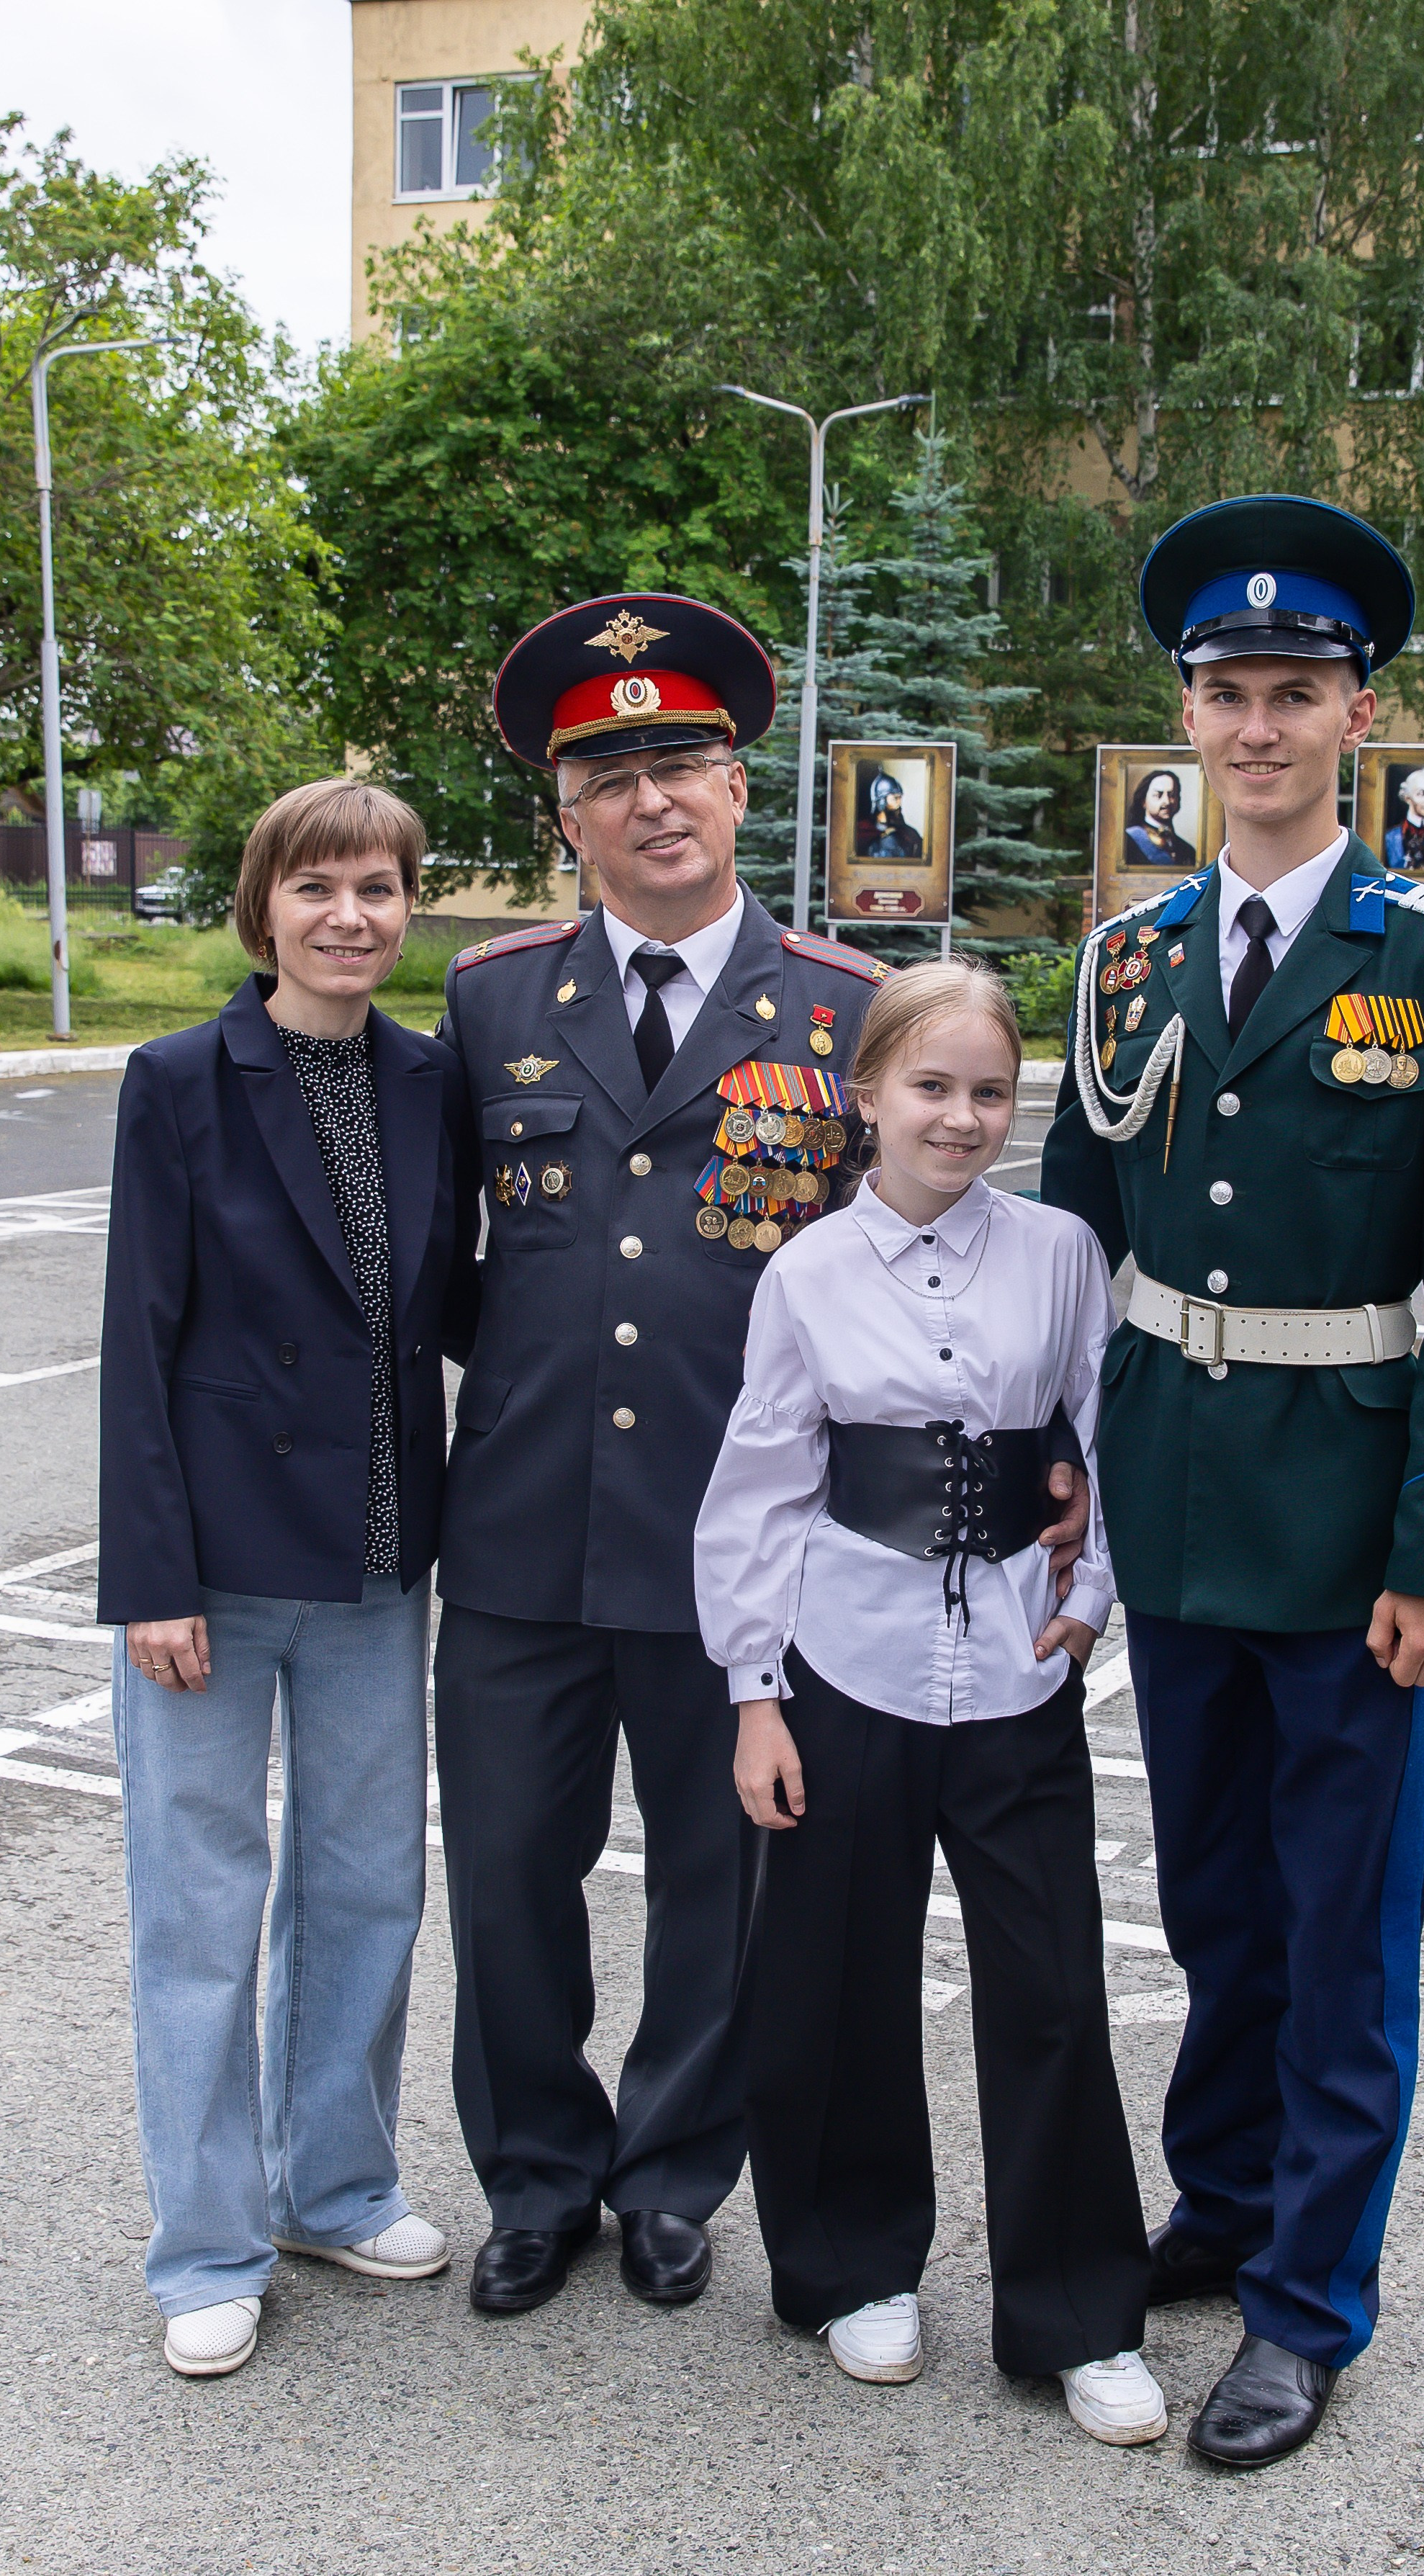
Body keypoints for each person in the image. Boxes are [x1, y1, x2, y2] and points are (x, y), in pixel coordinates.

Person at [432, 596, 1096, 2320]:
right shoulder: (494, 995)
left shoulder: (845, 1009)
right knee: (509, 1876)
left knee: (720, 1891)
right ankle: (532, 2173)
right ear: (563, 815)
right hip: (517, 1523)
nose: (654, 798)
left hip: (736, 1547)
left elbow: (921, 1257)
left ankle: (670, 2176)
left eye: (686, 763)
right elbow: (446, 1272)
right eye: (611, 772)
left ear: (741, 789)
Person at [1042, 495, 1424, 2467]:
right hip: (1172, 1505)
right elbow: (1073, 1250)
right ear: (1186, 715)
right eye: (1227, 694)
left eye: (1297, 694)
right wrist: (1060, 1481)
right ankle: (1226, 2198)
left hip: (1349, 1534)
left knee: (1343, 1932)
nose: (1257, 728)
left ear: (1358, 717)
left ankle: (1309, 2301)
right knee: (1215, 1907)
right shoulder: (1131, 954)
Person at [695, 957, 1166, 2443]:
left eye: (984, 1091)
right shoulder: (806, 1273)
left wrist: (1087, 1603)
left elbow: (1102, 1431)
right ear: (866, 1096)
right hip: (848, 1664)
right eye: (929, 1087)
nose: (958, 1119)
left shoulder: (1058, 1254)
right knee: (831, 1978)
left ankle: (1078, 2311)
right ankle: (852, 2267)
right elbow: (762, 1487)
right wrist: (755, 1694)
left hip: (1016, 1670)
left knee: (1048, 1984)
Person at [99, 780, 480, 2379]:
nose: (349, 915)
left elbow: (469, 1299)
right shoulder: (180, 1079)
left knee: (367, 1887)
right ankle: (206, 2242)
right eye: (316, 886)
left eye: (380, 887)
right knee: (200, 1907)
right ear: (262, 907)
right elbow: (142, 1337)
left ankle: (333, 2181)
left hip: (381, 1555)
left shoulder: (429, 1078)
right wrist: (151, 1582)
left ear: (409, 910)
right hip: (217, 1562)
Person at [1124, 766, 1198, 869]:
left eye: (1172, 795)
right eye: (1158, 795)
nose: (1167, 802)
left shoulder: (1187, 850)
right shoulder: (1128, 841)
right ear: (1144, 801)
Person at [860, 769, 924, 859]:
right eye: (895, 798)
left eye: (900, 798)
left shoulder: (909, 833)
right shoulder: (866, 830)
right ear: (882, 801)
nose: (899, 803)